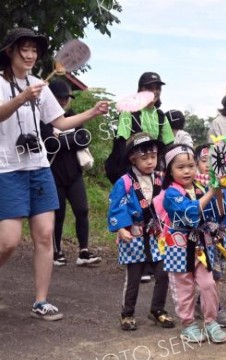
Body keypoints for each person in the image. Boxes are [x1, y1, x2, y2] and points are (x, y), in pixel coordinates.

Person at [0, 27, 108, 321]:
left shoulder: (40, 85)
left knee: (45, 236)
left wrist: (91, 113)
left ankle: (40, 301)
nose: (30, 54)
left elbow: (60, 122)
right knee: (8, 241)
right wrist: (21, 97)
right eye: (24, 48)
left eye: (34, 50)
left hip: (38, 167)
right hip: (7, 169)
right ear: (10, 51)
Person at [107, 133, 174, 331]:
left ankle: (157, 309)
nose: (150, 162)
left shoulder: (162, 179)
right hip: (134, 235)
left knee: (164, 273)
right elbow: (117, 206)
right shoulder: (125, 182)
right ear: (132, 159)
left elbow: (170, 203)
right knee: (134, 277)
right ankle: (127, 314)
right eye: (144, 158)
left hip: (158, 235)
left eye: (153, 157)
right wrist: (120, 227)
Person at [162, 144, 226, 344]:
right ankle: (188, 324)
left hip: (202, 246)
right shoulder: (171, 194)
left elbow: (219, 213)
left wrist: (218, 191)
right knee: (184, 289)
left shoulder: (201, 188)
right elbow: (189, 211)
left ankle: (211, 321)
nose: (187, 170)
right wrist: (211, 192)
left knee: (208, 285)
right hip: (179, 248)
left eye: (191, 165)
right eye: (180, 167)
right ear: (170, 170)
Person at [40, 79, 101, 267]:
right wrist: (68, 139)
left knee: (82, 210)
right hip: (53, 173)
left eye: (66, 98)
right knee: (58, 214)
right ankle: (56, 251)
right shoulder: (43, 119)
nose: (64, 101)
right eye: (60, 98)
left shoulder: (74, 116)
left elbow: (83, 140)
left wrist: (61, 139)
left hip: (74, 173)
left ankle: (84, 251)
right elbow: (49, 144)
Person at [193, 143, 226, 327]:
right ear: (195, 164)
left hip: (220, 237)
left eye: (215, 161)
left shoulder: (225, 187)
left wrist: (220, 191)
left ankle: (202, 304)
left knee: (217, 275)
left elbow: (224, 212)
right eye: (204, 160)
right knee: (206, 276)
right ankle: (214, 310)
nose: (209, 165)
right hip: (201, 239)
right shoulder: (193, 187)